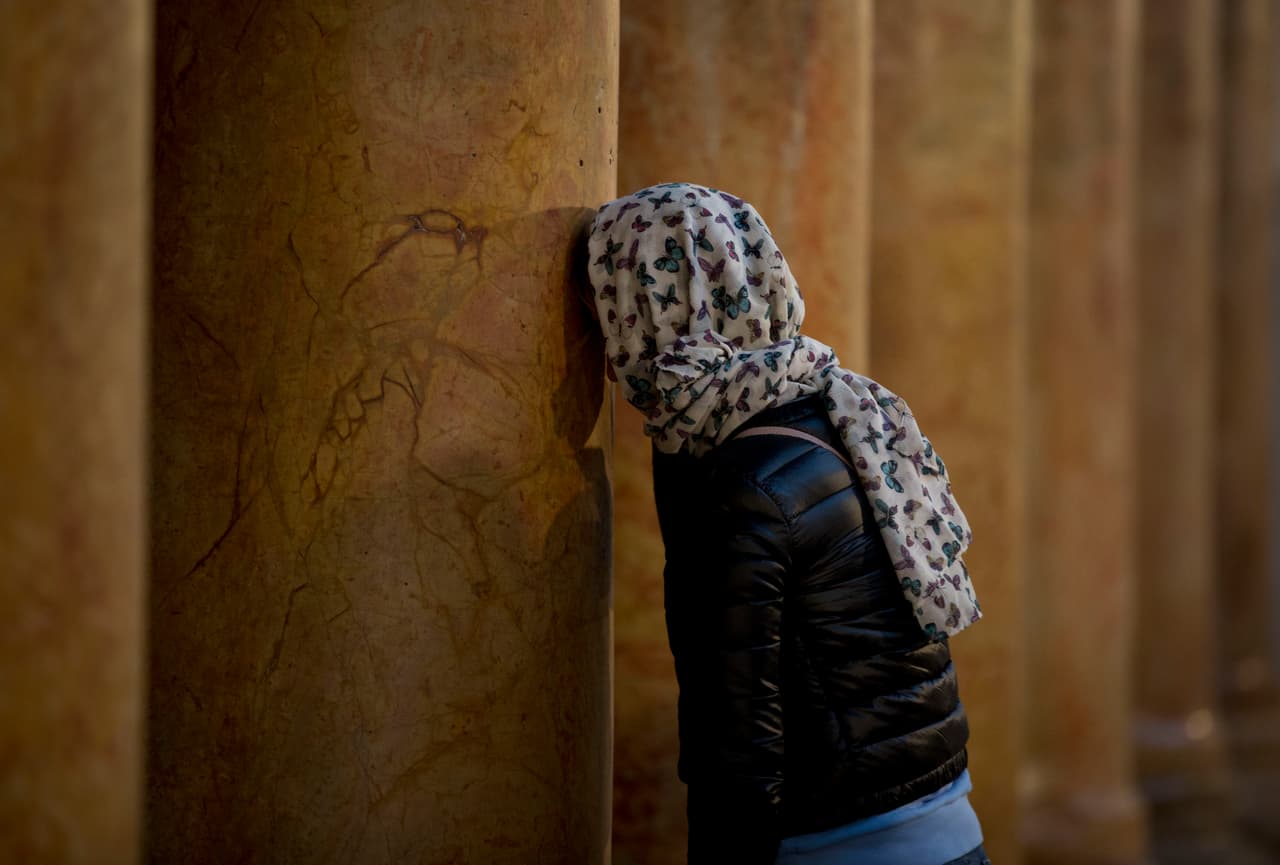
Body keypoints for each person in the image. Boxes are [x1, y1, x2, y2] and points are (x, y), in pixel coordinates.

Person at [583, 183, 988, 865]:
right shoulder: (841, 411)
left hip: (842, 845)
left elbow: (738, 750)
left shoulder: (745, 479)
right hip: (948, 827)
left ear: (641, 311)